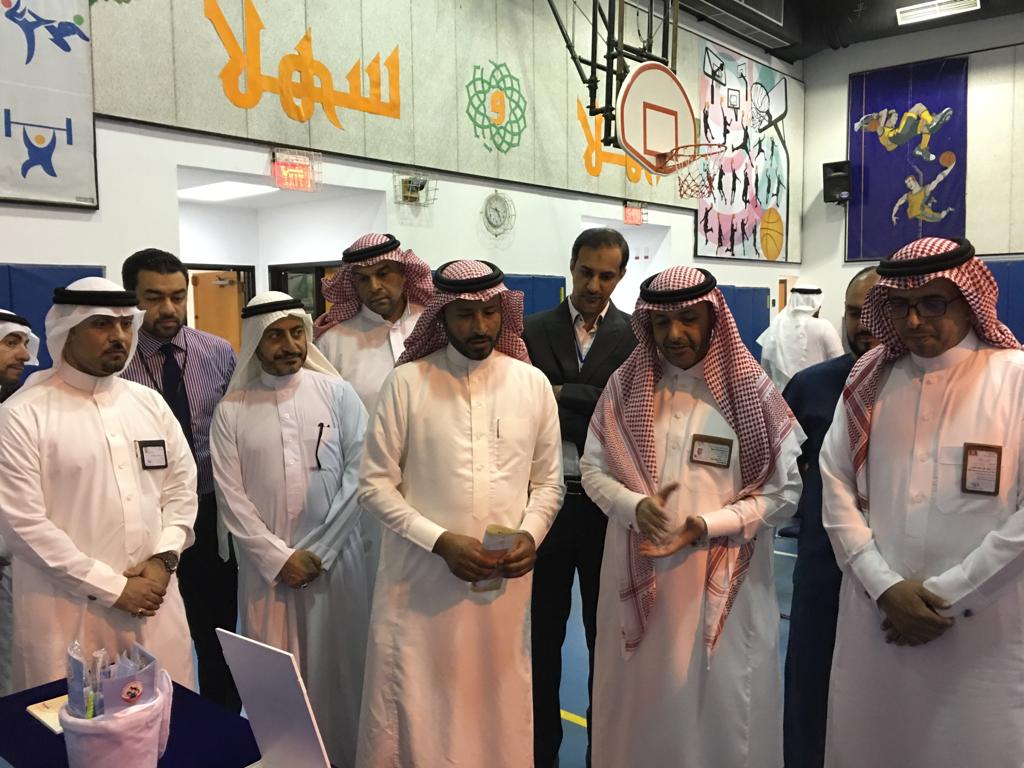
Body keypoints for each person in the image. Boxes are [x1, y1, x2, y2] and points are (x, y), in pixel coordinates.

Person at [580, 266, 803, 768]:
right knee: (639, 708)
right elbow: (593, 471)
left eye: (688, 320)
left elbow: (785, 494)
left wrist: (707, 525)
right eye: (662, 322)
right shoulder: (626, 387)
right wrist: (634, 507)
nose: (674, 334)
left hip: (722, 585)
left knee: (720, 711)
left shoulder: (752, 393)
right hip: (636, 575)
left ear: (713, 320)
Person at [820, 237, 1024, 768]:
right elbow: (835, 482)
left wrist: (948, 595)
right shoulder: (870, 378)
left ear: (968, 301)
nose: (914, 321)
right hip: (875, 619)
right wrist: (884, 587)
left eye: (932, 303)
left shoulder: (1015, 379)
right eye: (900, 306)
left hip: (983, 636)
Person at [356, 260, 564, 767]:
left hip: (502, 591)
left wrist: (531, 535)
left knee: (494, 703)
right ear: (442, 316)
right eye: (466, 315)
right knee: (419, 706)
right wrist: (439, 541)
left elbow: (548, 483)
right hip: (419, 584)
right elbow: (373, 486)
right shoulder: (407, 383)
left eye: (491, 313)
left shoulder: (532, 384)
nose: (480, 326)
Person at [0, 277, 196, 690]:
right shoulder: (22, 414)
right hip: (65, 613)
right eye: (102, 324)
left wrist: (164, 559)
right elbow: (23, 525)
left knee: (168, 717)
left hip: (154, 602)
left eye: (125, 324)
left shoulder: (149, 403)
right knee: (71, 722)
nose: (119, 336)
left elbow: (181, 489)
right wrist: (114, 588)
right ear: (67, 331)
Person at [212, 292, 369, 768]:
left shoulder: (338, 394)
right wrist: (279, 559)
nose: (289, 345)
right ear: (255, 343)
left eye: (297, 333)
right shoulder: (232, 410)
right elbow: (231, 498)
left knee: (342, 666)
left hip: (338, 565)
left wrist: (321, 551)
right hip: (268, 576)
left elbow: (361, 474)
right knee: (277, 673)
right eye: (275, 336)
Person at [522, 227, 637, 768]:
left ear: (621, 276)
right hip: (542, 506)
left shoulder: (635, 337)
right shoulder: (530, 330)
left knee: (604, 642)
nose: (594, 285)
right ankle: (539, 754)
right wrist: (593, 400)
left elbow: (624, 410)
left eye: (606, 276)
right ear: (571, 267)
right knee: (539, 642)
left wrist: (560, 391)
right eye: (586, 272)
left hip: (605, 512)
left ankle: (602, 755)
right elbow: (526, 409)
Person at [120, 248, 241, 711]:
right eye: (153, 297)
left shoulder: (217, 352)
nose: (168, 308)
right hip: (144, 521)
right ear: (132, 297)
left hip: (209, 512)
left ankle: (220, 722)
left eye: (177, 296)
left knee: (218, 632)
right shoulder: (117, 359)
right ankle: (152, 721)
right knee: (151, 633)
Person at [781, 266, 880, 768]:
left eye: (875, 312)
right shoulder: (811, 386)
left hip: (902, 572)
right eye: (854, 313)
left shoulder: (919, 388)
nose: (864, 324)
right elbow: (777, 471)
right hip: (823, 569)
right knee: (810, 688)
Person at [314, 233, 433, 594]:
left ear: (405, 273)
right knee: (371, 591)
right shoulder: (333, 342)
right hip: (365, 496)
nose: (375, 287)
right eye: (363, 279)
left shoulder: (435, 325)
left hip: (435, 483)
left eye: (384, 273)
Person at [0, 310, 39, 696]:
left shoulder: (20, 408)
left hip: (16, 568)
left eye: (25, 344)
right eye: (11, 343)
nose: (25, 355)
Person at [758, 283, 843, 390]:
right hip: (815, 395)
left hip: (779, 397)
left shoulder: (774, 328)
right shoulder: (825, 327)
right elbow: (840, 366)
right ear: (816, 304)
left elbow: (765, 371)